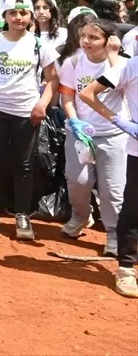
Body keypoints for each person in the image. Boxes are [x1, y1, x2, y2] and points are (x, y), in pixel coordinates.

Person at [0, 0, 58, 241]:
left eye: (23, 13)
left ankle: (22, 214)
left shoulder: (39, 45)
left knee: (24, 164)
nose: (18, 18)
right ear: (5, 17)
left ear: (30, 17)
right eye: (13, 13)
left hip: (27, 111)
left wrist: (42, 104)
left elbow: (53, 78)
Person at [59, 17, 128, 257]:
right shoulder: (73, 62)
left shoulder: (122, 65)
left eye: (94, 37)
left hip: (113, 135)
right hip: (80, 133)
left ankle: (113, 233)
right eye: (83, 36)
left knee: (112, 188)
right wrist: (74, 119)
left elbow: (121, 83)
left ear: (109, 41)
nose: (86, 41)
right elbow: (67, 95)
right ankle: (80, 216)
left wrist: (114, 55)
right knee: (78, 180)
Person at [78, 48, 138, 297]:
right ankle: (126, 268)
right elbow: (87, 93)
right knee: (133, 209)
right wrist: (120, 121)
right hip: (137, 150)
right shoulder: (130, 66)